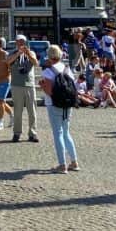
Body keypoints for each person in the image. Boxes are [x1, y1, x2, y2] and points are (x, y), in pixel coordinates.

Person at [41, 44, 79, 173]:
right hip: (67, 103)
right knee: (66, 132)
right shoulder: (67, 69)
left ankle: (62, 164)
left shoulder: (48, 71)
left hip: (54, 104)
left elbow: (48, 90)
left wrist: (42, 86)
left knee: (58, 133)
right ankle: (74, 161)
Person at [7, 35, 40, 143]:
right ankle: (17, 133)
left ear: (26, 42)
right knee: (17, 111)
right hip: (16, 85)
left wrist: (28, 53)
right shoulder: (12, 53)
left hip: (29, 85)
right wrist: (18, 53)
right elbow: (8, 62)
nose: (20, 43)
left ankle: (32, 133)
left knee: (32, 111)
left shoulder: (31, 52)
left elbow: (35, 63)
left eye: (22, 41)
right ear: (16, 42)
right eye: (18, 41)